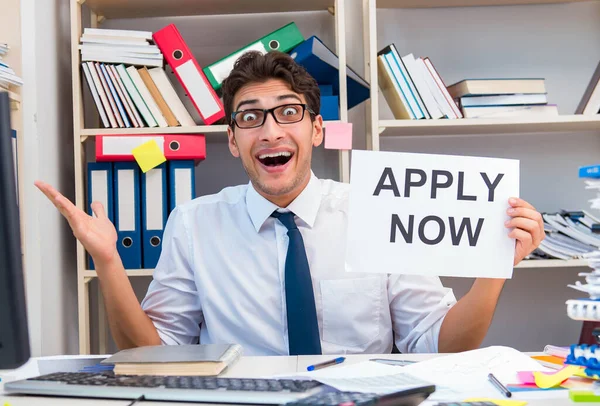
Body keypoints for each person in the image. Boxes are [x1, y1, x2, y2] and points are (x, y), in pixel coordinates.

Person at [35, 51, 545, 356]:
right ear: (233, 141)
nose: (270, 131)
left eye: (288, 112)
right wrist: (108, 261)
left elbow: (438, 344)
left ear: (317, 129)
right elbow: (153, 353)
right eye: (250, 118)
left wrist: (492, 266)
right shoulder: (192, 223)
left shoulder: (378, 208)